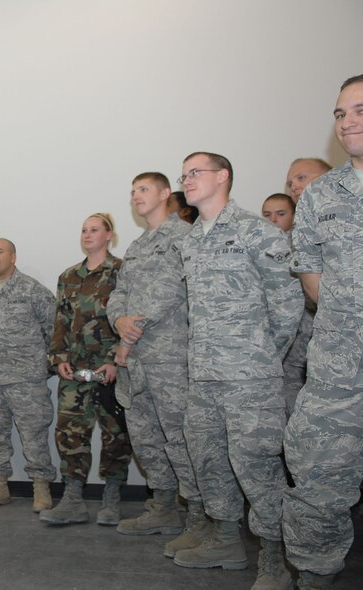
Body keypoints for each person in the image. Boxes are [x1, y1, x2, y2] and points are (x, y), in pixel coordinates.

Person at [175, 152, 302, 589]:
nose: (187, 180)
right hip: (204, 376)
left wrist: (262, 355)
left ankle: (274, 559)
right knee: (209, 461)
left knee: (258, 467)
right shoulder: (190, 242)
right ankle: (226, 540)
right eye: (184, 174)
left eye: (196, 172)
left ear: (223, 176)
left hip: (250, 377)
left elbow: (287, 305)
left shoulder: (256, 231)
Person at [283, 74, 363, 590]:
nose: (348, 120)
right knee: (315, 463)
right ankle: (316, 571)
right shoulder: (322, 193)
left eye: (359, 109)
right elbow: (309, 267)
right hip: (339, 357)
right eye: (340, 113)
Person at [107, 174, 204, 556]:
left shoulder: (184, 237)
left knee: (180, 439)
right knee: (147, 439)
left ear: (166, 194)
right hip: (136, 361)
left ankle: (198, 518)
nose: (135, 196)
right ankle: (163, 508)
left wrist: (132, 328)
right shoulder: (137, 245)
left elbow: (170, 293)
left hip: (168, 358)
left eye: (143, 189)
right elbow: (119, 292)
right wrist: (118, 320)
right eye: (132, 191)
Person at [40, 213, 132, 527]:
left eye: (94, 229)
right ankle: (73, 499)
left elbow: (128, 318)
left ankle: (112, 497)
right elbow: (60, 322)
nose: (87, 234)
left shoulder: (122, 272)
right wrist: (58, 357)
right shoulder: (68, 276)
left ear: (109, 235)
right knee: (69, 433)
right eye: (84, 230)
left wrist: (115, 359)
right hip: (74, 371)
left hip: (110, 369)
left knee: (115, 435)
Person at [0, 238, 57, 512]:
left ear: (13, 257)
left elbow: (54, 327)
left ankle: (41, 488)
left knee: (34, 435)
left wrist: (41, 364)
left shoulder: (32, 289)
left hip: (26, 380)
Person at [261, 191, 308, 414]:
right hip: (271, 336)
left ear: (294, 215)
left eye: (280, 214)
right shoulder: (259, 249)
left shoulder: (303, 245)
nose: (273, 220)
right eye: (267, 214)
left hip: (304, 334)